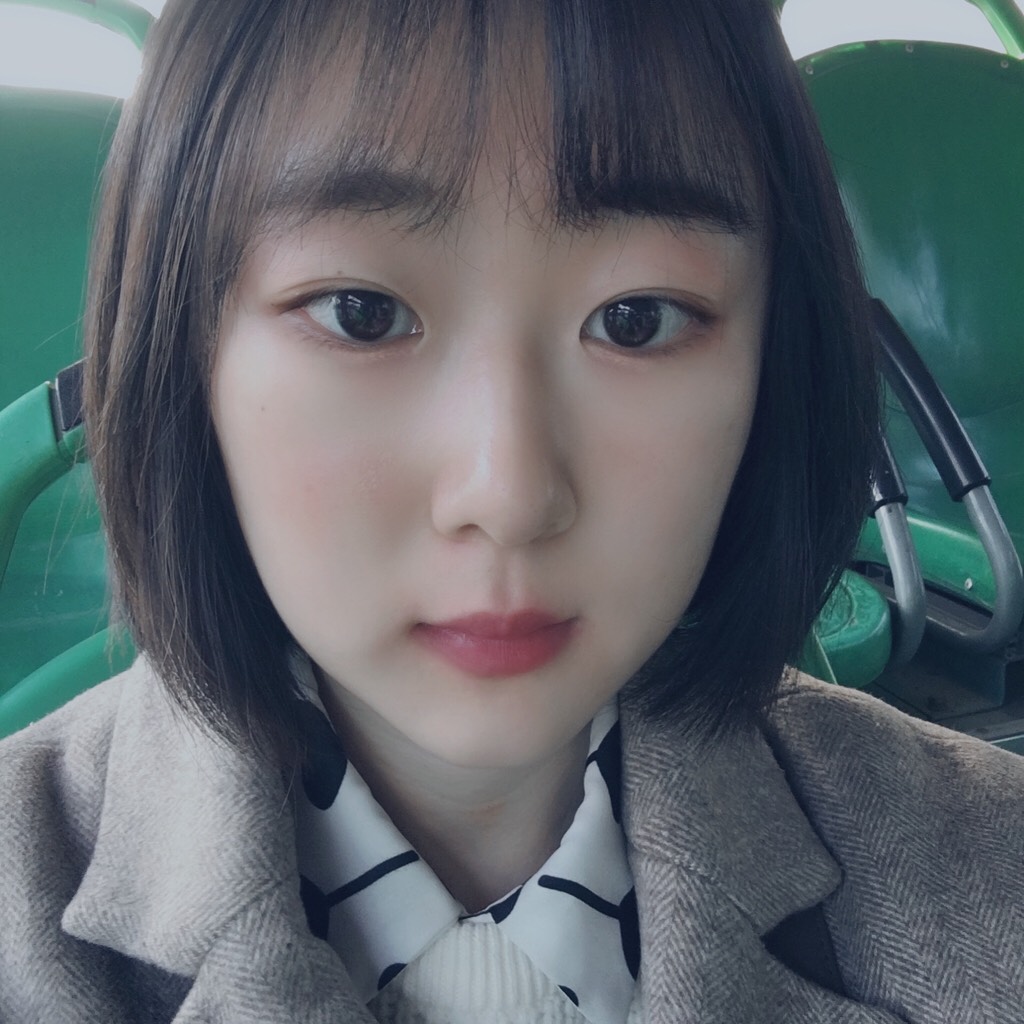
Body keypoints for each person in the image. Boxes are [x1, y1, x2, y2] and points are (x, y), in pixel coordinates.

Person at [1, 0, 1022, 1021]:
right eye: (363, 314)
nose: (510, 494)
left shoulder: (988, 872)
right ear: (185, 348)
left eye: (635, 320)